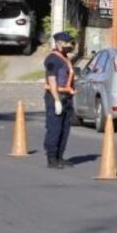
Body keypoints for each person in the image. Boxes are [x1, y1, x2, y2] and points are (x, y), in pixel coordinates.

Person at [44, 31, 77, 169]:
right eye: (67, 43)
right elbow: (52, 80)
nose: (70, 45)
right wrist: (57, 100)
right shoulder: (52, 59)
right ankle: (51, 159)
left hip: (67, 98)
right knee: (54, 128)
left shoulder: (65, 58)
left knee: (65, 129)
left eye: (70, 42)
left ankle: (60, 157)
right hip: (55, 97)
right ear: (58, 43)